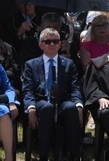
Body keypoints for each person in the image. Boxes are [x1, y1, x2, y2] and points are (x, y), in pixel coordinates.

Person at [21, 28, 83, 161]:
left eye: (55, 41)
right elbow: (28, 89)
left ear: (60, 44)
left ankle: (73, 154)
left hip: (62, 101)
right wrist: (31, 107)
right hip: (41, 101)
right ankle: (43, 154)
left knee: (71, 107)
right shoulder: (30, 65)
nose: (52, 45)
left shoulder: (69, 64)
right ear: (41, 45)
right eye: (47, 41)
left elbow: (75, 87)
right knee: (47, 108)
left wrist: (79, 105)